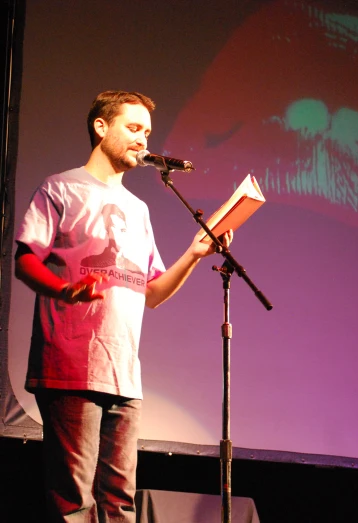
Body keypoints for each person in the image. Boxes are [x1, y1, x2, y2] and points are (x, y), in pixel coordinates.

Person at [14, 90, 233, 522]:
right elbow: (24, 258)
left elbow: (150, 292)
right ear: (101, 127)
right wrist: (62, 289)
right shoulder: (61, 187)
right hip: (69, 367)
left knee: (119, 503)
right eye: (133, 128)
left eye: (147, 132)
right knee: (75, 503)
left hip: (124, 374)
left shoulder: (139, 209)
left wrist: (194, 253)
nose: (143, 140)